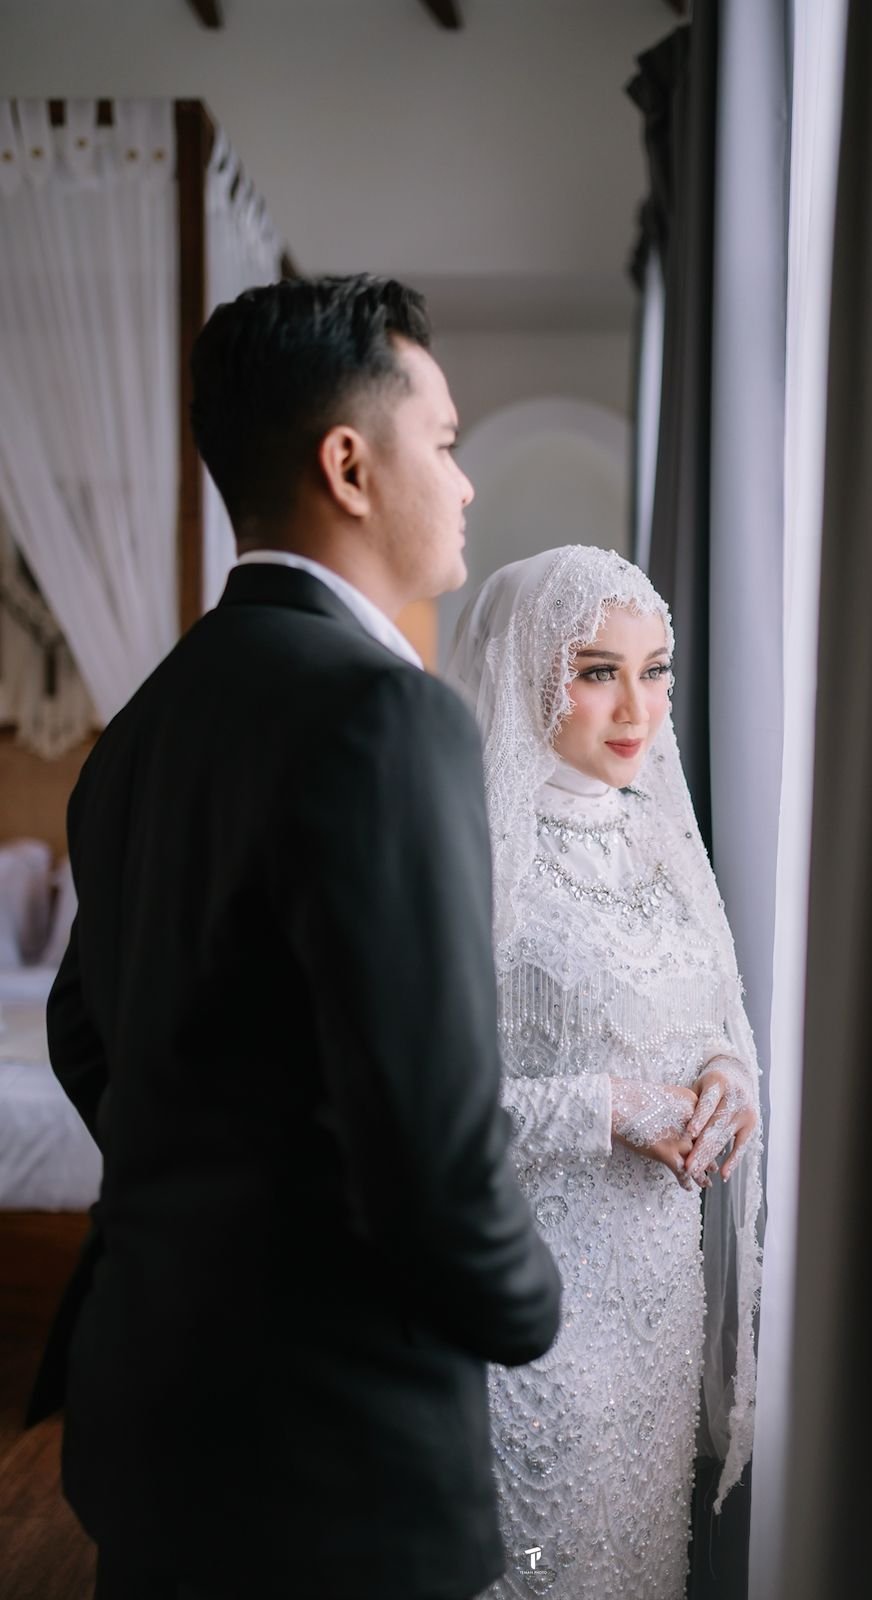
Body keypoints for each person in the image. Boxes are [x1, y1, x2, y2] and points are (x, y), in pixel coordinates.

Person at [36, 275, 562, 1600]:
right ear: (349, 465)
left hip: (150, 1412)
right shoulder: (389, 716)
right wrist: (527, 1306)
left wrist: (212, 1189)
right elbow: (431, 1134)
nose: (464, 483)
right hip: (331, 1451)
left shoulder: (141, 726)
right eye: (443, 442)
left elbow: (83, 1028)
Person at [446, 545, 762, 1600]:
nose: (638, 709)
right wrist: (613, 1109)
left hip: (655, 1311)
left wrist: (724, 1074)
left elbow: (709, 1014)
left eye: (655, 670)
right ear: (527, 672)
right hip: (532, 1310)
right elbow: (425, 1109)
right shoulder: (475, 860)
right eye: (597, 671)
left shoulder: (656, 842)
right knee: (539, 1569)